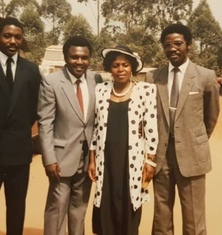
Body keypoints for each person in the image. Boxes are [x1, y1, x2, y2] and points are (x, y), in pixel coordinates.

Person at [145, 24, 220, 235]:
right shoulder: (153, 77)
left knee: (194, 220)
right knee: (161, 218)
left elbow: (210, 117)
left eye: (178, 43)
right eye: (167, 45)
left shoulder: (205, 76)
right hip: (161, 157)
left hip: (192, 156)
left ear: (188, 45)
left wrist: (194, 141)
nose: (172, 49)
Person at [88, 45, 158, 235]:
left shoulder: (145, 91)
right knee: (106, 201)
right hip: (106, 160)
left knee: (129, 202)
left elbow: (151, 128)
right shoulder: (101, 90)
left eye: (125, 65)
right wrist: (92, 159)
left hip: (132, 161)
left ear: (132, 67)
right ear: (109, 68)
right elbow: (95, 128)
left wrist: (150, 161)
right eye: (115, 65)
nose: (120, 70)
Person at [37, 36, 102, 235]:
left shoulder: (96, 79)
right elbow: (45, 123)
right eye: (74, 57)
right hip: (61, 159)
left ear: (90, 58)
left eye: (84, 57)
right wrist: (49, 159)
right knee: (57, 208)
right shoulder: (52, 82)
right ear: (66, 58)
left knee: (79, 210)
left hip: (88, 159)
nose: (80, 62)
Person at [0, 17, 41, 235]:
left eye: (17, 36)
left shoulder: (31, 71)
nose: (12, 41)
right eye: (7, 35)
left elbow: (35, 109)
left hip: (18, 152)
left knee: (16, 208)